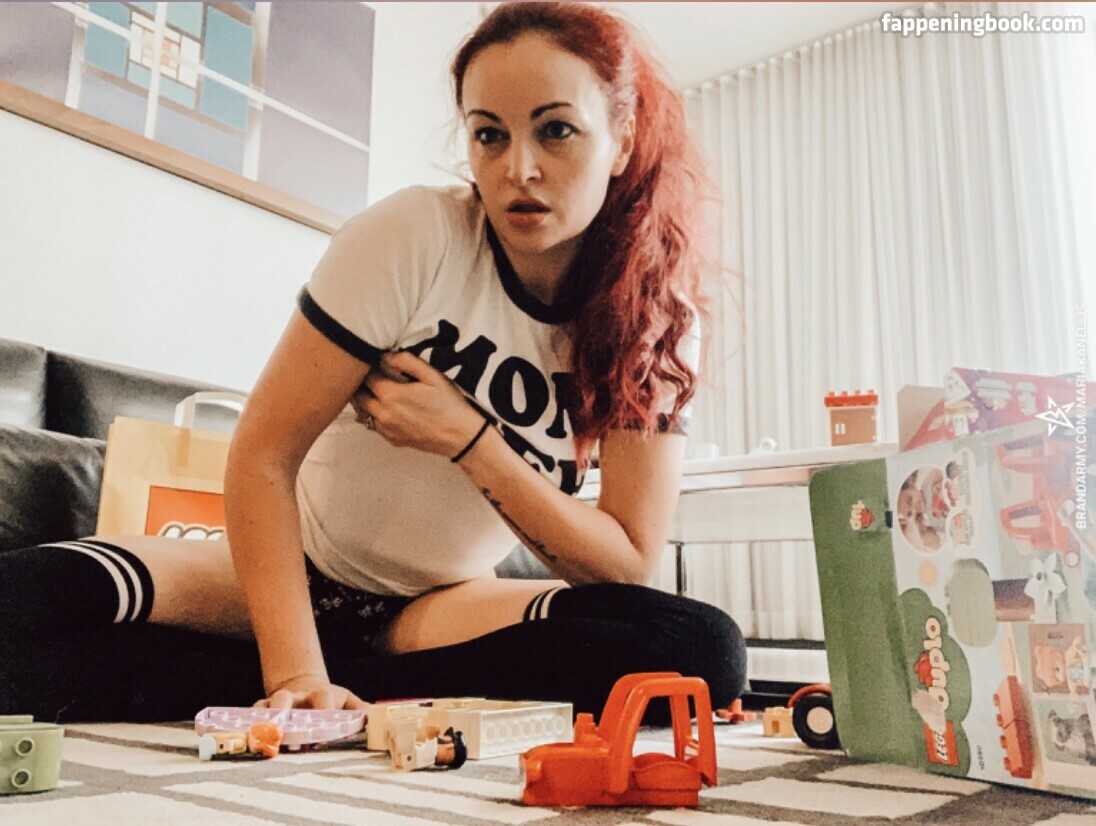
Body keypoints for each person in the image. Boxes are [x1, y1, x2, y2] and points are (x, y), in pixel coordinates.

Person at [0, 1, 746, 723]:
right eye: (489, 135)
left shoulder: (657, 320)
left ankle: (279, 683)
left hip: (441, 608)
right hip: (286, 577)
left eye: (556, 130)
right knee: (21, 601)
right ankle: (323, 683)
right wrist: (295, 675)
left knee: (696, 648)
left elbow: (625, 564)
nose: (519, 168)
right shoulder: (415, 236)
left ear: (622, 140)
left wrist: (471, 442)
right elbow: (262, 454)